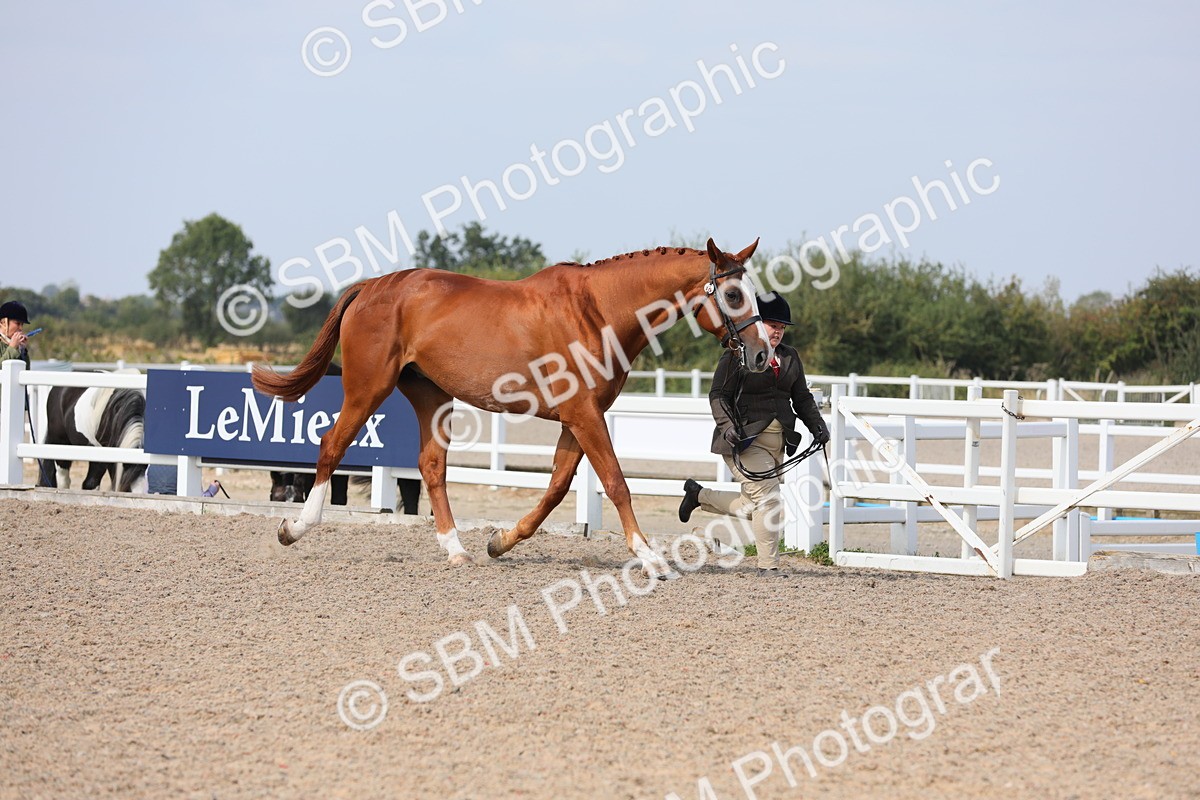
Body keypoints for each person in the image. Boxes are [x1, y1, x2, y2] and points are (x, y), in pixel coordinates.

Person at [678, 293, 830, 577]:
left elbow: (802, 397)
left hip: (778, 444)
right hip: (744, 441)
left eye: (782, 327)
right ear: (758, 324)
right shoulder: (736, 355)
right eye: (773, 325)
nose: (778, 331)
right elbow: (718, 395)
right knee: (770, 501)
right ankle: (767, 566)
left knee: (753, 505)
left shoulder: (790, 356)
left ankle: (698, 496)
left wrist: (817, 425)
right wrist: (727, 426)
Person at [0, 300, 32, 368]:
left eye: (22, 324)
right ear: (4, 322)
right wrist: (12, 348)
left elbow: (25, 372)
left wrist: (23, 351)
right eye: (17, 323)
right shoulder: (12, 346)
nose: (20, 328)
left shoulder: (16, 346)